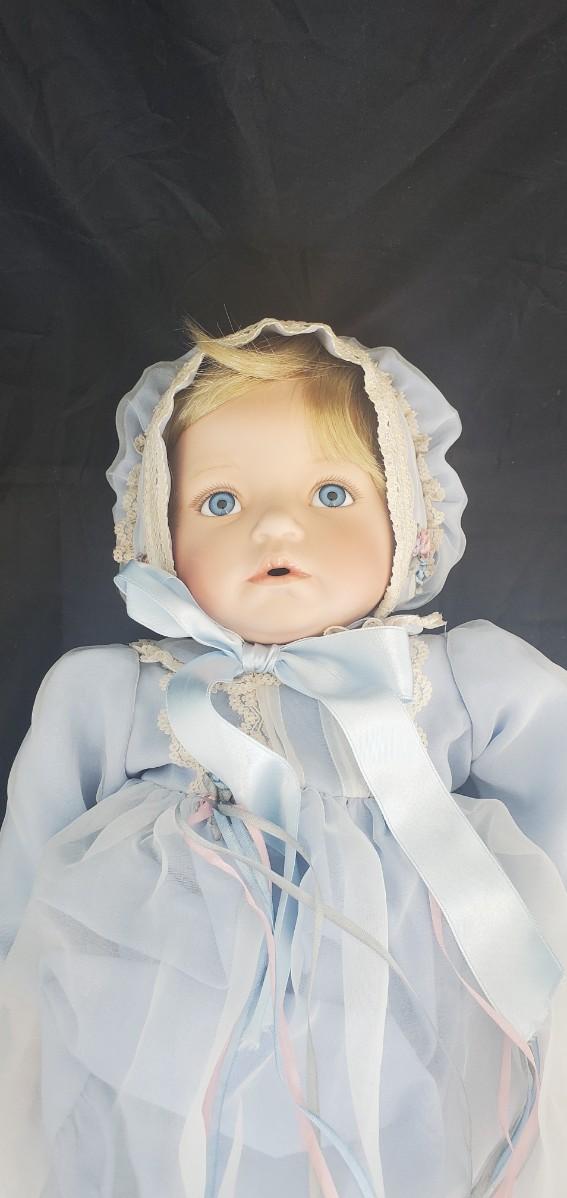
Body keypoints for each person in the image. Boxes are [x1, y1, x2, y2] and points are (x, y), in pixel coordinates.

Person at [0, 316, 566, 1198]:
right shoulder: (114, 691)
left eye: (330, 494)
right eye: (219, 503)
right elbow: (29, 862)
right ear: (156, 532)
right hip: (164, 1014)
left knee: (415, 1146)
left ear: (409, 517)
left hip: (406, 999)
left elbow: (553, 801)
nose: (274, 528)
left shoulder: (451, 678)